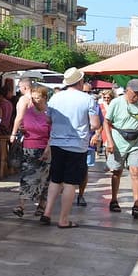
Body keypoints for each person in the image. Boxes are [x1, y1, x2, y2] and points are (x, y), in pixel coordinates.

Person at [41, 68, 100, 228]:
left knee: (55, 179)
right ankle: (63, 220)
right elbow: (95, 124)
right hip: (77, 145)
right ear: (80, 82)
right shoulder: (88, 99)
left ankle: (47, 213)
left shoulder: (55, 97)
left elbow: (48, 120)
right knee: (70, 183)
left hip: (57, 143)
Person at [104, 78, 138, 218]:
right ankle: (114, 199)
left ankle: (136, 204)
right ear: (127, 91)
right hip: (118, 142)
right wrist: (110, 142)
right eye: (135, 93)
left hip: (135, 142)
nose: (137, 96)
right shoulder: (116, 102)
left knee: (135, 171)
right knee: (117, 171)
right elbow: (106, 122)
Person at [11, 84, 52, 218]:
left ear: (45, 98)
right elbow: (22, 123)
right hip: (29, 147)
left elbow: (53, 133)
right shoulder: (28, 111)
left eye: (37, 98)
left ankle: (41, 205)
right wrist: (19, 131)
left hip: (44, 148)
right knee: (26, 176)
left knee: (44, 179)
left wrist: (48, 148)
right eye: (32, 98)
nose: (34, 101)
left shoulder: (50, 113)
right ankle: (21, 205)